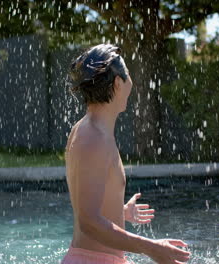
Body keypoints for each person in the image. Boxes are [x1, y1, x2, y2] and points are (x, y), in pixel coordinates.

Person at [62, 44, 191, 264]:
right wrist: (152, 248)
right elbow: (88, 222)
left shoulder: (89, 130)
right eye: (129, 75)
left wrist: (119, 213)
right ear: (118, 83)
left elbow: (88, 205)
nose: (132, 82)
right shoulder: (93, 138)